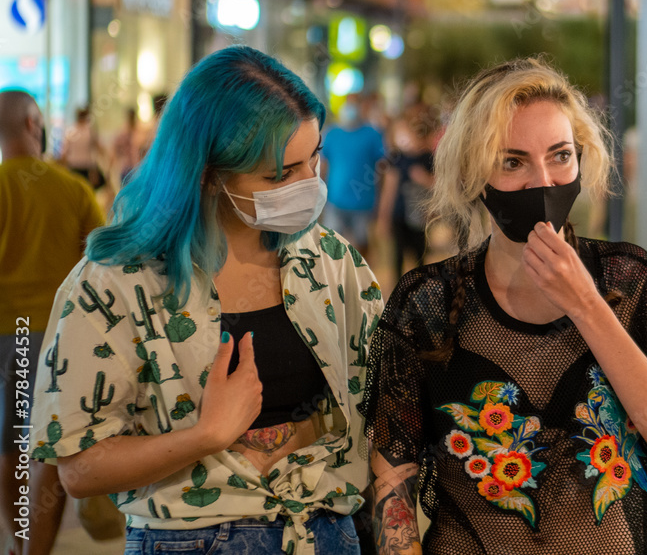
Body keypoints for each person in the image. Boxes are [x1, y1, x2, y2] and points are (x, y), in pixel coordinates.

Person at [360, 59, 647, 554]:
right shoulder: (425, 303)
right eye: (512, 162)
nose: (543, 181)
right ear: (474, 175)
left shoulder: (629, 279)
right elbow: (393, 488)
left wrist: (587, 306)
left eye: (560, 155)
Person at [29, 46, 383, 555]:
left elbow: (383, 400)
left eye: (315, 157)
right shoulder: (118, 282)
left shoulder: (328, 260)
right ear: (209, 173)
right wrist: (206, 436)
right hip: (189, 539)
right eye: (280, 175)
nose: (311, 187)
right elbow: (78, 467)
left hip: (325, 533)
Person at [0, 89, 105, 555]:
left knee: (9, 444)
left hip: (6, 334)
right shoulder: (73, 189)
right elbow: (103, 266)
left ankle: (19, 541)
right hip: (56, 335)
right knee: (49, 446)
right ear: (32, 125)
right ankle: (32, 549)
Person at [375, 105, 437, 283]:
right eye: (399, 134)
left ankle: (419, 288)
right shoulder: (395, 159)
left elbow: (438, 185)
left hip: (420, 217)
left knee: (420, 256)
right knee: (398, 256)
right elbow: (389, 190)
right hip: (399, 215)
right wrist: (383, 218)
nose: (404, 138)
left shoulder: (427, 157)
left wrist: (424, 178)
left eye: (407, 133)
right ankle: (398, 289)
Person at [321, 94, 386, 260]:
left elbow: (383, 168)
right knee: (331, 246)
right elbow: (323, 165)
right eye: (348, 104)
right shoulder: (332, 133)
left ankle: (363, 280)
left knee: (362, 245)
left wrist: (381, 200)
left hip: (363, 203)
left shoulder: (372, 134)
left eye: (354, 104)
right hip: (335, 201)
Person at [58, 106, 105, 191]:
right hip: (87, 168)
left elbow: (64, 154)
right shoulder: (90, 131)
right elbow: (100, 149)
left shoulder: (71, 131)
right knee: (87, 191)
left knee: (75, 192)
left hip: (74, 167)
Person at [111, 106, 142, 187]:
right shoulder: (125, 132)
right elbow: (115, 149)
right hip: (128, 166)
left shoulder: (137, 131)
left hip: (134, 166)